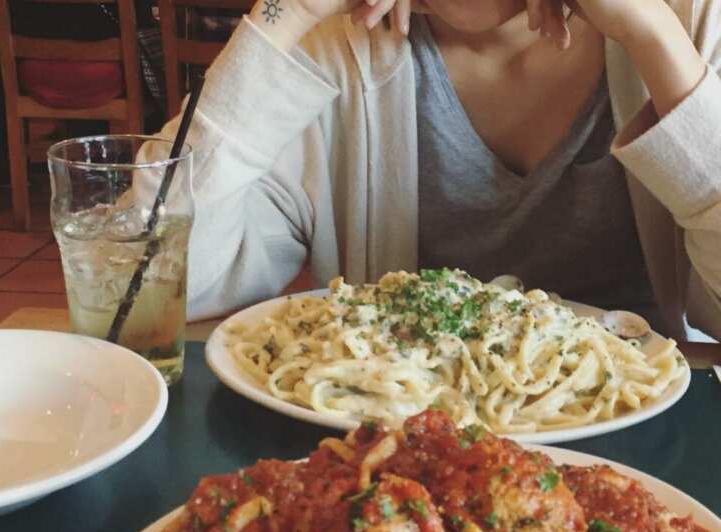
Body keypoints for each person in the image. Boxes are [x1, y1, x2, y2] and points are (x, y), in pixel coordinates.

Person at [142, 0, 721, 340]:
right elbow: (149, 289)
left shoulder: (687, 16)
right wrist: (284, 15)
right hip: (403, 457)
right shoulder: (336, 39)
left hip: (645, 445)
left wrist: (655, 38)